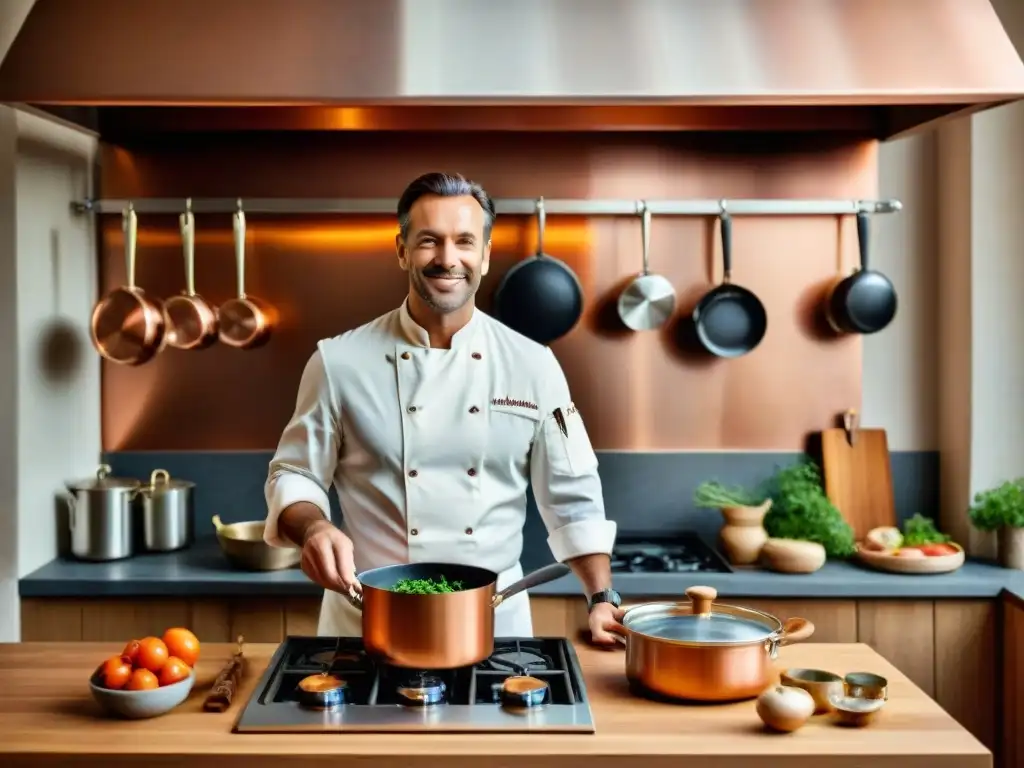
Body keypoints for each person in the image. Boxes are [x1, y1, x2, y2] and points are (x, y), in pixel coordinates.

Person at [262, 171, 624, 643]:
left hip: (494, 625)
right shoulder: (338, 362)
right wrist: (313, 527)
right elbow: (293, 474)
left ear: (486, 255)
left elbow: (573, 496)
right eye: (429, 241)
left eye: (464, 242)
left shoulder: (534, 366)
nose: (448, 259)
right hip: (367, 619)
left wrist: (601, 599)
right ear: (401, 250)